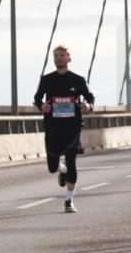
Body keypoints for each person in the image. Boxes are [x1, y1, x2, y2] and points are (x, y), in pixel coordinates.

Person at [33, 45, 94, 212]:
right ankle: (62, 169)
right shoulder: (47, 79)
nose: (58, 58)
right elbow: (37, 98)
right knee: (52, 167)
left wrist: (88, 105)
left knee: (72, 162)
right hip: (53, 127)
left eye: (62, 55)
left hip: (73, 128)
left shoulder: (78, 80)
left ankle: (69, 200)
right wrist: (41, 106)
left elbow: (90, 98)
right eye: (56, 56)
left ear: (69, 58)